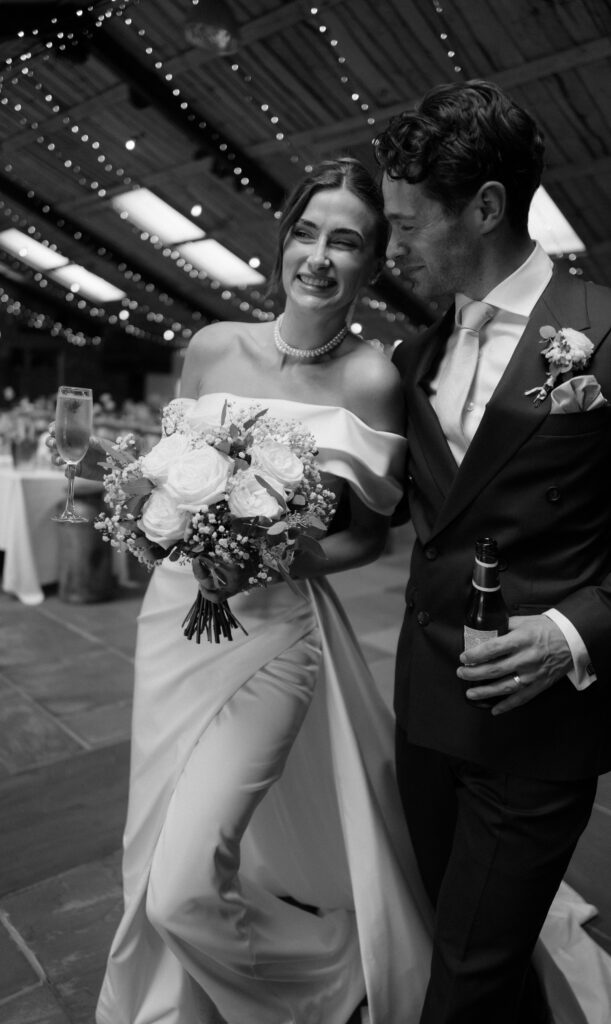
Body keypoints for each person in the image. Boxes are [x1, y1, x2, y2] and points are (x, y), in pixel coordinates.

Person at [53, 157, 433, 1024]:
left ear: (371, 265)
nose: (318, 257)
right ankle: (182, 994)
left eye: (346, 242)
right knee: (150, 845)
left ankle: (332, 977)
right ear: (282, 242)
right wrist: (123, 497)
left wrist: (288, 558)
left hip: (274, 637)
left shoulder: (372, 378)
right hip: (174, 628)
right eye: (306, 233)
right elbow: (165, 478)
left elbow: (371, 534)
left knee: (182, 888)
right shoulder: (212, 345)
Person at [374, 80, 611, 1024]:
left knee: (464, 980)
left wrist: (569, 630)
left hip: (537, 725)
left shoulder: (601, 329)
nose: (391, 247)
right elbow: (389, 511)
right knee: (475, 948)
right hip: (425, 712)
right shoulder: (412, 358)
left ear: (484, 206)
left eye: (405, 223)